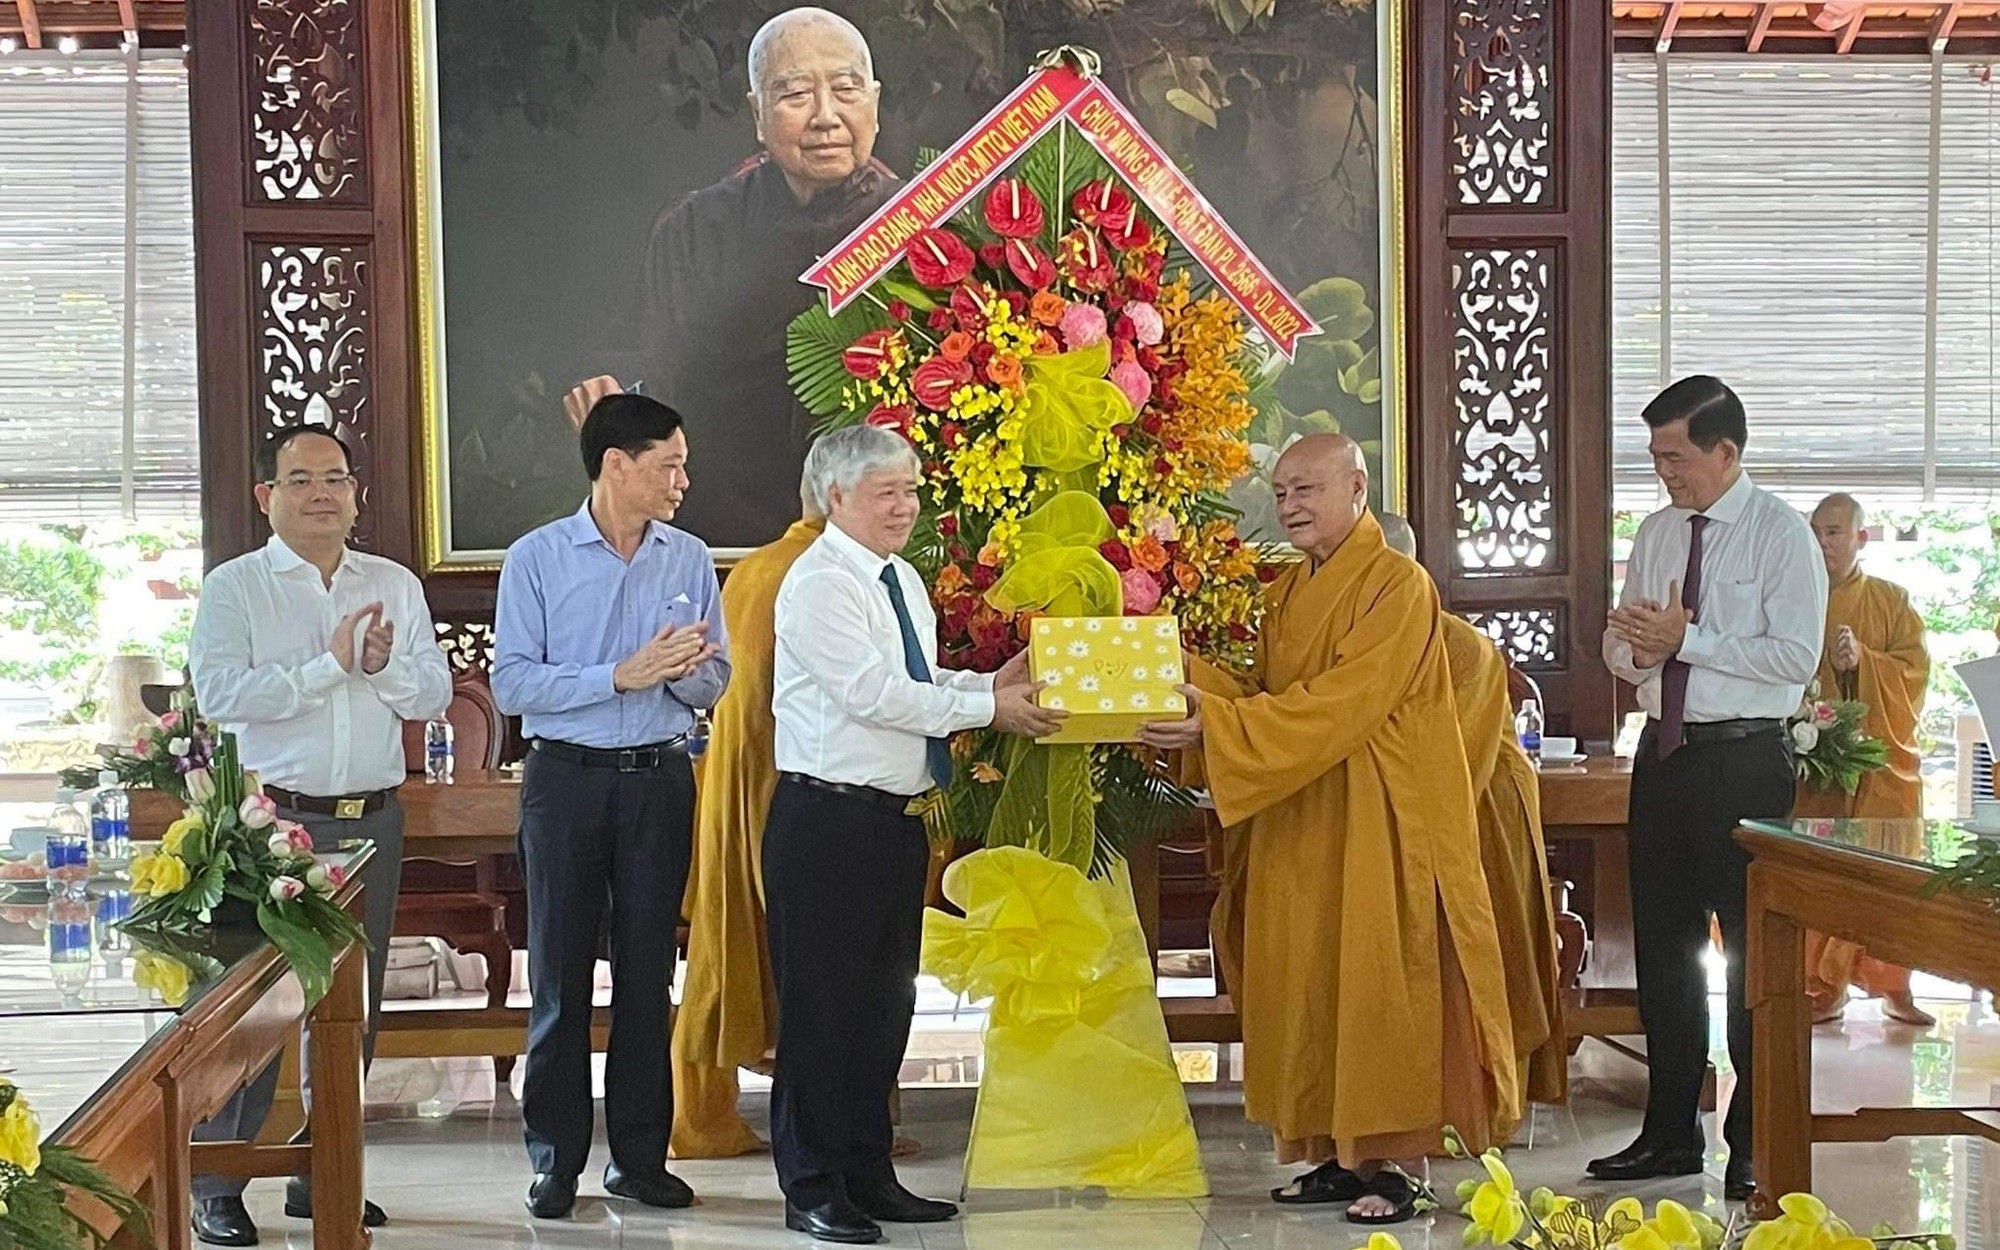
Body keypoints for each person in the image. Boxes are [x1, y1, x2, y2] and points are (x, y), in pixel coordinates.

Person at [1140, 435, 1519, 1224]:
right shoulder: (1285, 590)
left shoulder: (1398, 584)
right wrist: (1179, 681)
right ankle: (1338, 1157)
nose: (1290, 507)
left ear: (1357, 487)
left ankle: (1396, 1166)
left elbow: (1347, 700)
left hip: (1378, 814)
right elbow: (1271, 691)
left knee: (1382, 983)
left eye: (1306, 489)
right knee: (1309, 981)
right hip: (1302, 807)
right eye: (1280, 493)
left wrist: (1222, 723)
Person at [764, 425, 1062, 1244]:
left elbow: (917, 682)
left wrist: (983, 684)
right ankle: (813, 1185)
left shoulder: (898, 577)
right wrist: (986, 710)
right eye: (888, 491)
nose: (908, 506)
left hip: (892, 821)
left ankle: (868, 1172)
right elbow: (870, 693)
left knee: (881, 1007)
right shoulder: (820, 581)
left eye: (911, 488)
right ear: (836, 496)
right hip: (826, 819)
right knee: (823, 1011)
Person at [186, 423, 453, 1246]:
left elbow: (431, 695)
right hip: (273, 824)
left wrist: (380, 663)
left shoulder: (393, 584)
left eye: (335, 478)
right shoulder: (237, 587)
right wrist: (330, 666)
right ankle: (220, 1183)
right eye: (300, 480)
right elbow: (223, 693)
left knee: (349, 1010)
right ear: (267, 496)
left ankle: (320, 1169)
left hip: (370, 820)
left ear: (355, 493)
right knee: (251, 1011)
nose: (322, 494)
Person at [492, 393, 731, 1219]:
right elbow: (513, 683)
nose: (683, 481)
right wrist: (618, 676)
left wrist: (685, 671)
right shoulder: (537, 558)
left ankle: (639, 1157)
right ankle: (555, 1161)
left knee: (646, 977)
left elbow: (716, 676)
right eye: (668, 465)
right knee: (557, 976)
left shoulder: (689, 558)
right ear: (616, 465)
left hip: (660, 778)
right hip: (564, 782)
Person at [1593, 376, 1826, 1201]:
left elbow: (1794, 659)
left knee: (1749, 956)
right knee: (1664, 952)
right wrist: (1642, 652)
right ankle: (1667, 1133)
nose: (1664, 472)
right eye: (1655, 457)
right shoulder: (1657, 533)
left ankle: (1755, 1140)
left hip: (1743, 763)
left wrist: (1690, 638)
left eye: (1677, 456)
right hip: (1663, 758)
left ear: (1728, 453)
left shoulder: (1780, 536)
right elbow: (1622, 649)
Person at [566, 7, 899, 549]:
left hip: (875, 539)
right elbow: (649, 381)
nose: (825, 116)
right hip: (727, 539)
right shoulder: (696, 230)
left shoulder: (922, 229)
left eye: (846, 90)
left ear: (875, 103)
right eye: (795, 95)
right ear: (758, 113)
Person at [1379, 514, 1567, 1110]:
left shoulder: (1460, 646)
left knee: (1481, 964)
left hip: (1480, 817)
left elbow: (1447, 755)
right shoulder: (1355, 640)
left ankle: (1479, 1096)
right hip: (1401, 821)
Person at [670, 473, 826, 1159]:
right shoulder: (822, 570)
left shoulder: (755, 567)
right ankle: (839, 1126)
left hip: (733, 775)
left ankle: (703, 1118)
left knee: (724, 945)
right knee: (826, 958)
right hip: (794, 782)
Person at [1797, 493, 1933, 1027]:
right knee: (1820, 870)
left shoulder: (1890, 600)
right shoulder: (1794, 596)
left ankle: (1893, 984)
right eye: (1816, 531)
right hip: (1815, 763)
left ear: (1861, 539)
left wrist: (1865, 663)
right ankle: (1820, 985)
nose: (1823, 542)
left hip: (1880, 769)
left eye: (1834, 532)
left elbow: (1916, 673)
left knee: (1889, 871)